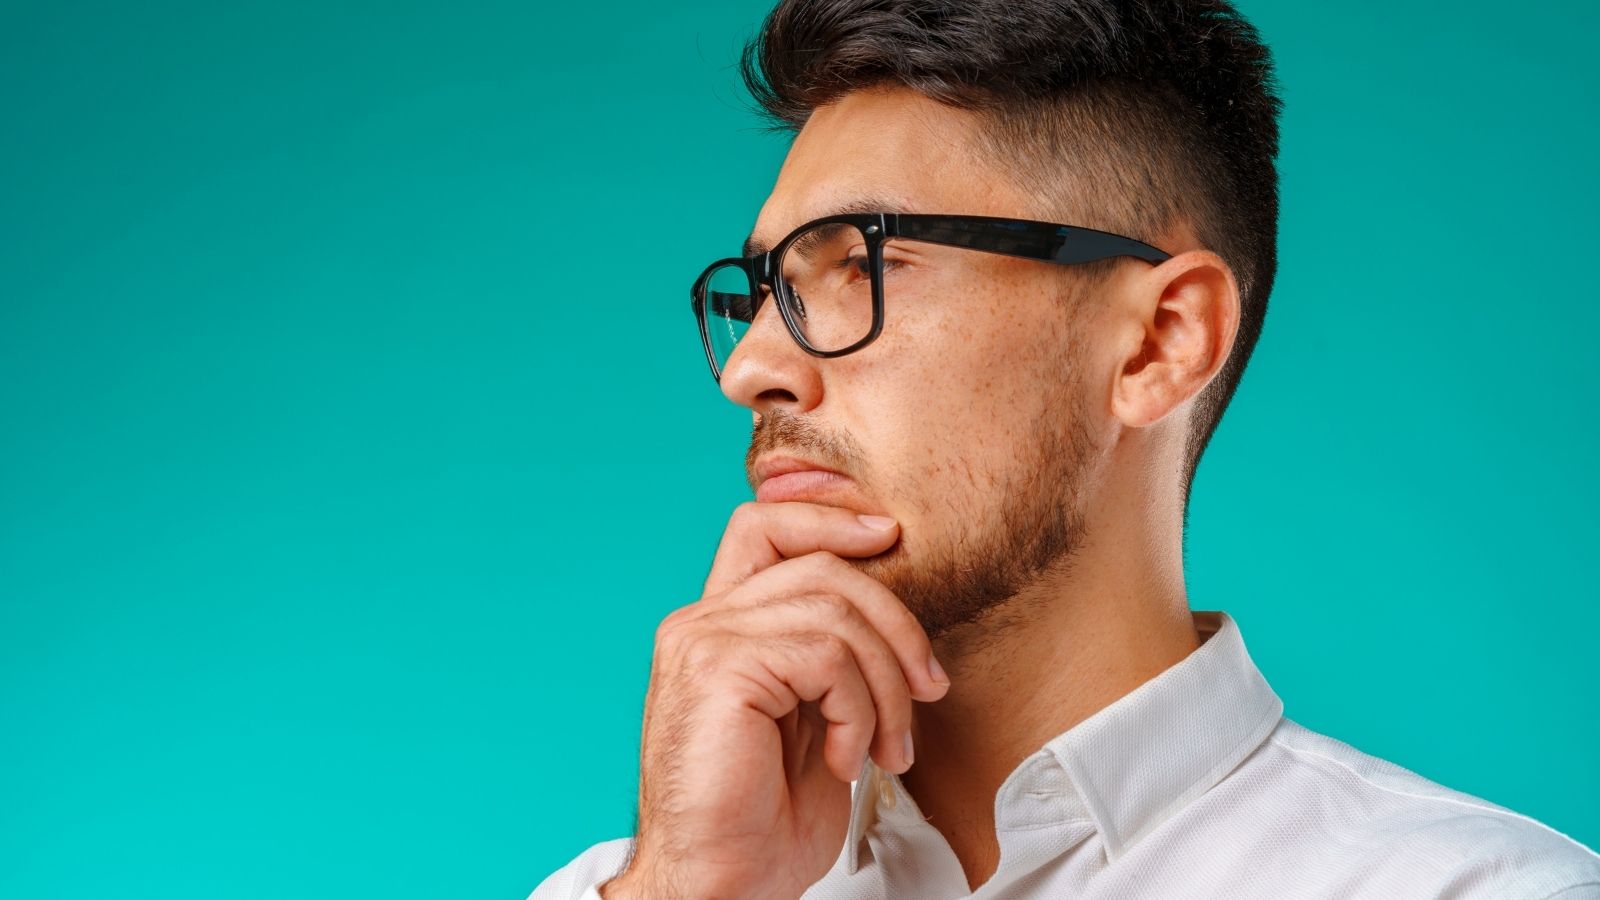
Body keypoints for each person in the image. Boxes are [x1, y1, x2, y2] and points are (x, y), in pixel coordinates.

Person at [530, 0, 1600, 897]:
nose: (749, 370)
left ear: (1157, 342)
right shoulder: (641, 884)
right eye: (766, 290)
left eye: (859, 263)